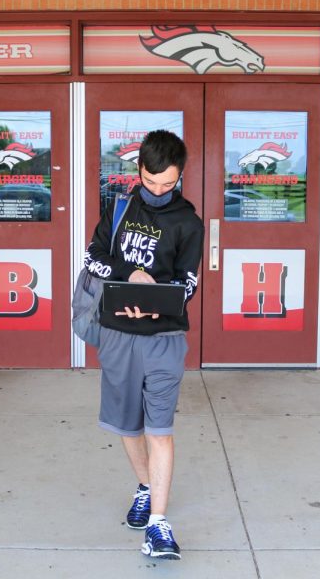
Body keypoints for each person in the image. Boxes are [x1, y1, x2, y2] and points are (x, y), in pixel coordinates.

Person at [84, 130, 204, 561]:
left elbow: (188, 283)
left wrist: (156, 303)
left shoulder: (188, 222)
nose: (158, 191)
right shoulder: (118, 208)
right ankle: (145, 486)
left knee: (160, 428)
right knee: (126, 424)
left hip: (164, 339)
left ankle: (158, 524)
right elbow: (92, 258)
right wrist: (129, 273)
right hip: (117, 334)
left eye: (167, 184)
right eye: (151, 182)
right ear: (139, 171)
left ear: (180, 176)